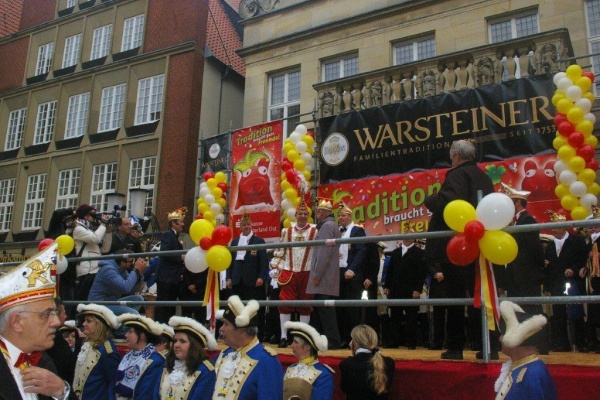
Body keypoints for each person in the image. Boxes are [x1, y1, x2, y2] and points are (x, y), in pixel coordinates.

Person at [423, 140, 494, 360]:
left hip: (458, 244)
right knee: (480, 295)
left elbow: (448, 203)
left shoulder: (456, 175)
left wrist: (430, 199)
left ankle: (455, 347)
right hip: (481, 241)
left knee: (455, 297)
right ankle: (488, 344)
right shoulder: (484, 176)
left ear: (456, 155)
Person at [0, 244, 73, 400]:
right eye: (46, 314)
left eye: (54, 313)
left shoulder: (44, 361)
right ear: (16, 322)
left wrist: (62, 392)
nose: (56, 322)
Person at [213, 295, 283, 399]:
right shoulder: (222, 356)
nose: (221, 329)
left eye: (226, 324)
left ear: (242, 330)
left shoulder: (266, 361)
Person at [270, 198, 318, 348]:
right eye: (300, 213)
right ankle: (284, 336)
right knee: (285, 303)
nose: (302, 216)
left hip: (307, 271)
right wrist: (275, 266)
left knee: (306, 304)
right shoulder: (286, 231)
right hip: (289, 270)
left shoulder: (315, 231)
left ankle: (302, 337)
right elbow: (281, 250)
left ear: (308, 216)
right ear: (295, 215)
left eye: (305, 213)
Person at [543, 210, 588, 352]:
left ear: (564, 226)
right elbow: (548, 268)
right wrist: (547, 287)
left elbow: (583, 259)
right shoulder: (550, 246)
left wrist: (574, 269)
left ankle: (581, 342)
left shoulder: (578, 241)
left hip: (573, 282)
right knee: (558, 314)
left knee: (576, 312)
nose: (553, 229)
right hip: (556, 283)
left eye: (556, 226)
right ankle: (562, 343)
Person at [494, 301, 557, 399]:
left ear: (516, 341)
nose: (500, 339)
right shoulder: (525, 367)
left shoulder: (531, 375)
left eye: (503, 334)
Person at [306, 198, 342, 350]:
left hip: (324, 275)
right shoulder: (332, 225)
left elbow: (323, 253)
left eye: (318, 211)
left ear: (323, 212)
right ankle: (326, 339)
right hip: (328, 273)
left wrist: (317, 274)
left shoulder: (326, 227)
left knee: (326, 310)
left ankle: (333, 340)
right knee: (324, 309)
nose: (317, 214)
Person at [227, 212, 269, 338]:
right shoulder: (235, 242)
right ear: (240, 227)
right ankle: (239, 334)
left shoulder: (258, 241)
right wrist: (229, 277)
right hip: (237, 280)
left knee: (254, 309)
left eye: (248, 224)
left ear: (251, 226)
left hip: (253, 280)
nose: (246, 227)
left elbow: (263, 261)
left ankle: (257, 334)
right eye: (244, 225)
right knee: (238, 309)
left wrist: (261, 276)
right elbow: (230, 262)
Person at [155, 316, 217, 399]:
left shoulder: (205, 371)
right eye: (175, 341)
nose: (176, 345)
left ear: (194, 346)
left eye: (182, 341)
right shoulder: (166, 366)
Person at [383, 235, 427, 349]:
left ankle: (411, 342)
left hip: (411, 289)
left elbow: (421, 273)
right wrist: (387, 286)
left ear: (414, 238)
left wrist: (418, 289)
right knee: (395, 317)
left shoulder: (419, 253)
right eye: (405, 236)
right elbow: (390, 271)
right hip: (395, 289)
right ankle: (394, 341)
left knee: (411, 317)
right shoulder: (395, 252)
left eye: (410, 236)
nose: (407, 238)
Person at [73, 303, 121, 400]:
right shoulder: (87, 344)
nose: (84, 324)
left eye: (88, 321)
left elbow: (113, 382)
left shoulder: (106, 350)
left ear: (99, 325)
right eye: (84, 320)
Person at [337, 202, 367, 348]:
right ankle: (342, 338)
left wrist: (352, 269)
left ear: (350, 216)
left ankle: (353, 339)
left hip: (352, 273)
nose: (340, 218)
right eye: (339, 216)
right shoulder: (337, 231)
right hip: (338, 273)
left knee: (352, 309)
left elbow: (361, 251)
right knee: (340, 308)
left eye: (343, 215)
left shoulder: (357, 230)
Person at [115, 314, 166, 399]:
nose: (126, 335)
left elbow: (146, 393)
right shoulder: (127, 356)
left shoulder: (155, 361)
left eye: (130, 332)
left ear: (142, 336)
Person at [88, 249, 148, 320]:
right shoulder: (108, 270)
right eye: (131, 261)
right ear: (122, 263)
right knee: (133, 313)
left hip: (111, 301)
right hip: (100, 303)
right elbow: (125, 288)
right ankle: (123, 325)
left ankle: (122, 322)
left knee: (138, 299)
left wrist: (139, 274)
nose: (133, 263)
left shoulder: (122, 270)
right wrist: (135, 270)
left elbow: (132, 290)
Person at [339, 324, 395, 400]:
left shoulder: (347, 364)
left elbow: (345, 388)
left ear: (355, 343)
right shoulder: (388, 363)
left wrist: (353, 352)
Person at [283, 321, 334, 400]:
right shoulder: (289, 369)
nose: (291, 345)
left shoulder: (323, 375)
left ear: (307, 347)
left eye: (296, 342)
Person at [155, 207, 187, 323]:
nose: (183, 225)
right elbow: (165, 252)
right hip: (166, 276)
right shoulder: (168, 234)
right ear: (173, 223)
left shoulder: (175, 237)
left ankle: (167, 327)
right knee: (163, 306)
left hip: (172, 277)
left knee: (169, 306)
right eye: (180, 222)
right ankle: (160, 327)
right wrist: (180, 257)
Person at [72, 204, 108, 302]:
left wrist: (108, 231)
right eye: (92, 214)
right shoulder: (78, 229)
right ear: (85, 216)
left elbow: (105, 249)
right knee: (84, 299)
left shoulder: (90, 229)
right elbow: (95, 239)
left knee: (93, 299)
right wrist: (103, 225)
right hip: (87, 270)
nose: (95, 217)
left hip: (95, 269)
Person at [46, 298, 79, 385]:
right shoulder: (55, 338)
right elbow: (68, 363)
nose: (65, 316)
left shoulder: (56, 336)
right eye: (64, 313)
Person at [586, 206, 600, 353]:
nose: (593, 227)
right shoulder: (589, 241)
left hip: (598, 277)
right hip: (592, 280)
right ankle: (593, 341)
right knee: (593, 310)